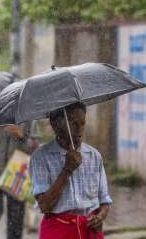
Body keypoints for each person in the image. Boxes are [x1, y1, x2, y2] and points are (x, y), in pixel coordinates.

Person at [29, 102, 112, 239]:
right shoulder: (41, 157)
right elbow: (45, 206)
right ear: (55, 124)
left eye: (83, 123)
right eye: (73, 124)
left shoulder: (94, 156)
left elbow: (104, 201)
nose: (79, 130)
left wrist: (100, 217)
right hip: (58, 232)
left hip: (90, 232)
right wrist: (67, 170)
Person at [0, 123, 40, 239]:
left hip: (17, 174)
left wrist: (22, 136)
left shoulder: (29, 119)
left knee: (15, 220)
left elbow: (34, 147)